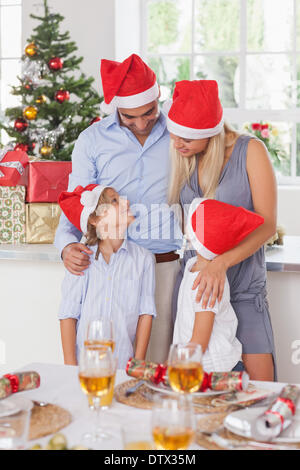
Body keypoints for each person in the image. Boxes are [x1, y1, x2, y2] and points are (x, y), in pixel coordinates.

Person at [54, 54, 183, 364]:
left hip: (163, 268)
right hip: (103, 267)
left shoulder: (179, 136)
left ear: (158, 98)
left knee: (155, 371)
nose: (141, 123)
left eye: (149, 112)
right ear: (116, 109)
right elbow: (78, 202)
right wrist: (65, 247)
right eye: (129, 117)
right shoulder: (92, 141)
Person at [166, 80, 277, 381]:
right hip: (198, 293)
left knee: (261, 393)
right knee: (196, 389)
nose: (177, 144)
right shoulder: (185, 157)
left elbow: (266, 223)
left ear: (208, 132)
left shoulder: (250, 151)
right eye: (174, 134)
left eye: (186, 137)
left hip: (241, 290)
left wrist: (221, 264)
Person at [57, 183, 156, 368]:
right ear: (94, 219)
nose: (126, 202)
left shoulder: (144, 259)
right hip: (85, 366)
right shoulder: (82, 260)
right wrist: (70, 367)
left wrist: (138, 364)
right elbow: (68, 315)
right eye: (114, 201)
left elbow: (146, 313)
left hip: (122, 364)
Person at [173, 198, 265, 373]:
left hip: (217, 371)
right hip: (202, 366)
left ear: (193, 234)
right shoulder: (193, 265)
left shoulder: (206, 282)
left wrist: (174, 364)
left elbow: (200, 341)